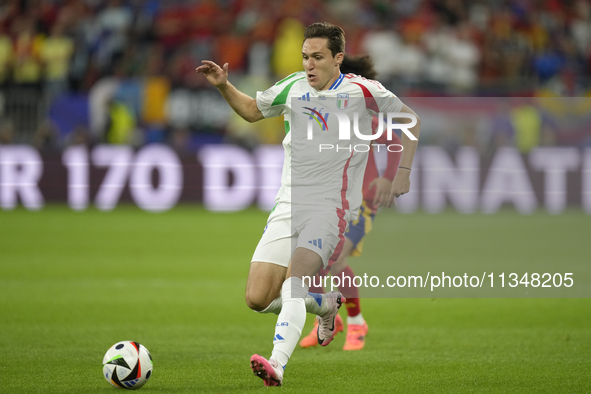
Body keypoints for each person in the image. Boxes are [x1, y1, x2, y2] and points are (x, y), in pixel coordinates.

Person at [196, 22, 420, 387]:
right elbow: (253, 111)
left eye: (317, 57)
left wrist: (403, 174)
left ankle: (277, 364)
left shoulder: (362, 91)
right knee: (256, 298)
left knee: (293, 284)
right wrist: (224, 86)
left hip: (330, 209)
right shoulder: (293, 87)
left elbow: (410, 120)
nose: (309, 65)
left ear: (338, 59)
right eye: (305, 57)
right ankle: (327, 304)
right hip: (287, 206)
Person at [299, 54, 402, 351]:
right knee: (315, 262)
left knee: (334, 260)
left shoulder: (361, 118)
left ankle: (356, 322)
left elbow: (395, 141)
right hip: (330, 199)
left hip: (362, 201)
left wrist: (387, 178)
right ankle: (328, 319)